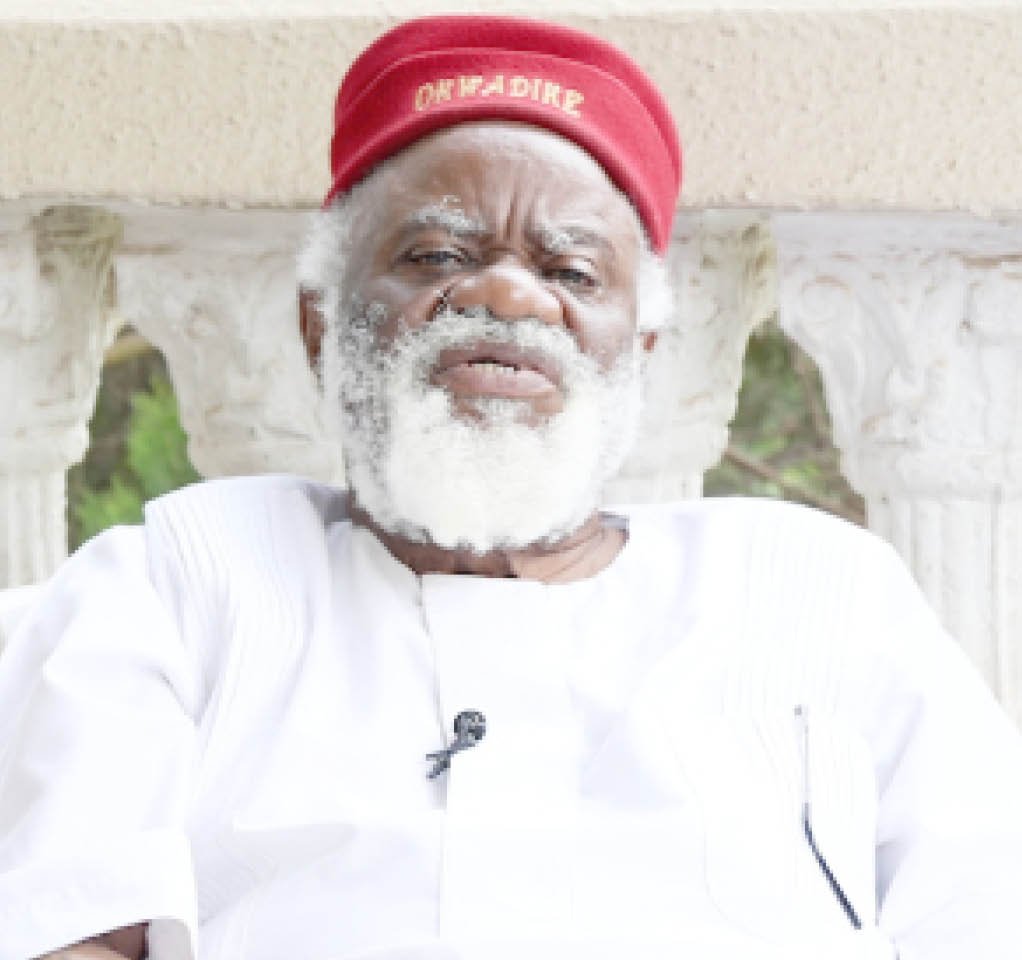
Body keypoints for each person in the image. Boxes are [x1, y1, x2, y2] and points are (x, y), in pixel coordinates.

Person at [1, 14, 1021, 960]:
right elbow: (69, 935)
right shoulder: (176, 587)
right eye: (437, 253)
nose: (505, 294)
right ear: (322, 325)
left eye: (571, 273)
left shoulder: (822, 594)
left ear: (640, 350)